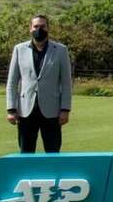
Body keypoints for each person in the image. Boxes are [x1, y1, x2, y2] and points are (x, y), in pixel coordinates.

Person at [5, 15, 72, 153]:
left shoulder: (60, 50)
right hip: (25, 111)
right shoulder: (19, 49)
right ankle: (26, 175)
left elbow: (66, 83)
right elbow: (12, 82)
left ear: (48, 28)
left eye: (42, 26)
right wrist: (11, 109)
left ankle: (53, 174)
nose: (39, 29)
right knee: (26, 152)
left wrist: (65, 109)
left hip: (52, 111)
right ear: (30, 28)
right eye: (36, 26)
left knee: (53, 152)